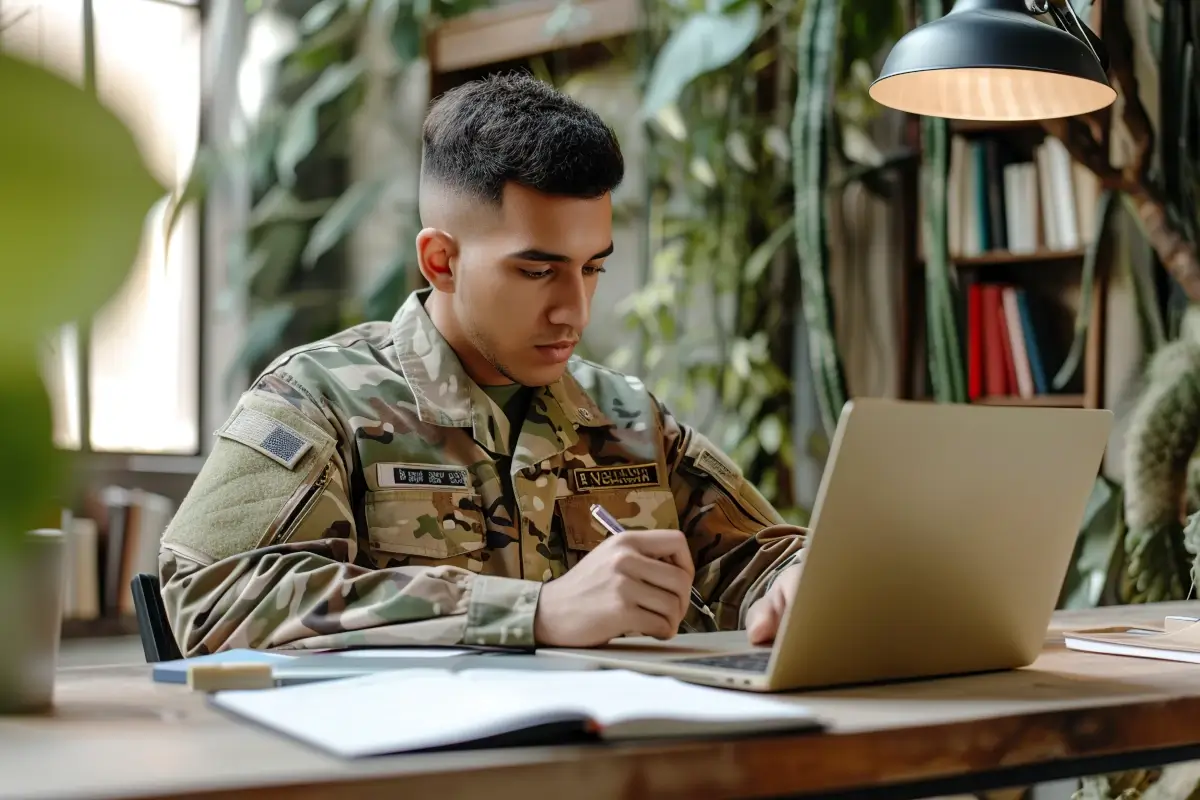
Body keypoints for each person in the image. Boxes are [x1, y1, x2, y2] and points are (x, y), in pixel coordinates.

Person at [158, 72, 809, 657]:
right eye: (536, 270)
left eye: (593, 268)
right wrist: (532, 613)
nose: (574, 312)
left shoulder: (626, 416)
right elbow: (209, 598)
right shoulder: (317, 399)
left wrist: (799, 581)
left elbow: (763, 553)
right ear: (441, 260)